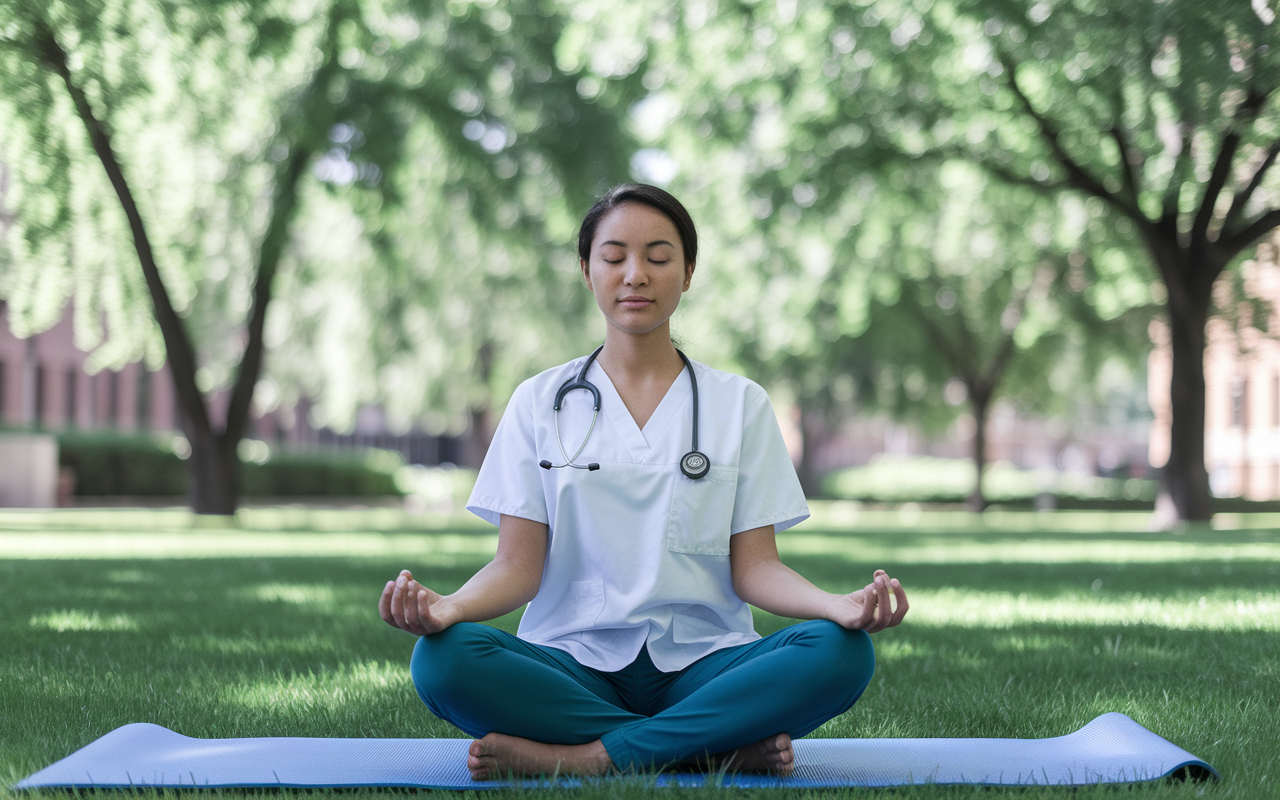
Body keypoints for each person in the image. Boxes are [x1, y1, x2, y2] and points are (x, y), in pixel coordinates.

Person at [379, 183, 908, 781]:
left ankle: (585, 758)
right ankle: (710, 747)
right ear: (587, 271)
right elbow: (518, 568)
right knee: (443, 662)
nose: (636, 275)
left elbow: (755, 568)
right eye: (614, 257)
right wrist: (447, 608)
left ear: (687, 273)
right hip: (571, 662)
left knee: (839, 653)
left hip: (706, 664)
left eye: (659, 258)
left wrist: (837, 606)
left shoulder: (740, 404)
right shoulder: (539, 402)